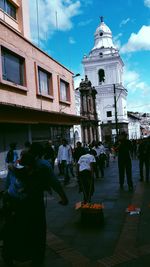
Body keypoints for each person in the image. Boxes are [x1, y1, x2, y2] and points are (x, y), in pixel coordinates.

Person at [1, 142, 68, 267]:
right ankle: (36, 257)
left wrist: (6, 195)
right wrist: (63, 197)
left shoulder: (16, 165)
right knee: (37, 230)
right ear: (40, 155)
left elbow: (8, 182)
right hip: (33, 203)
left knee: (13, 229)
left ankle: (9, 254)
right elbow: (54, 183)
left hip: (13, 201)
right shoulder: (42, 165)